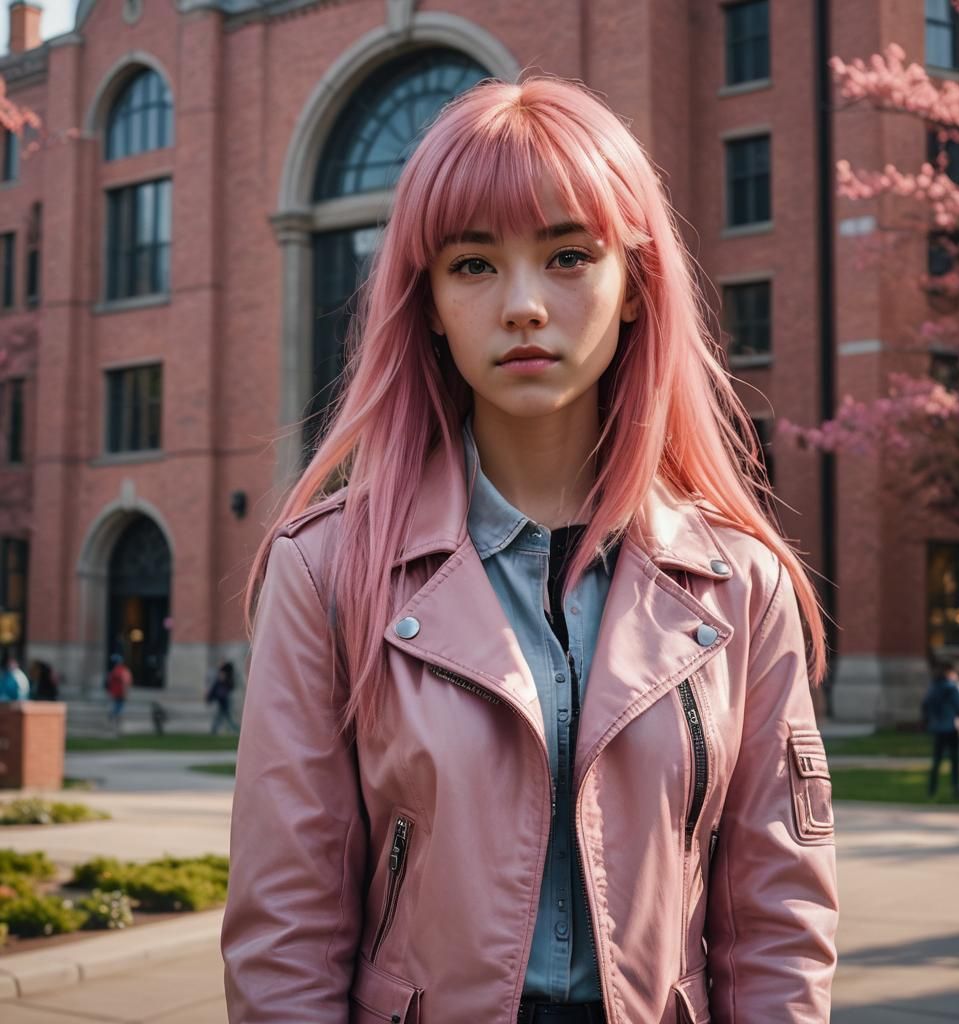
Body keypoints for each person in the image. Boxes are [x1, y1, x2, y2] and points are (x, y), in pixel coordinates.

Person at [221, 76, 839, 1023]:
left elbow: (778, 924)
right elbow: (286, 933)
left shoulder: (739, 583)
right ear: (426, 300)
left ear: (634, 285)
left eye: (566, 255)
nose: (522, 305)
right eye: (473, 264)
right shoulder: (326, 572)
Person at [922, 659, 959, 798]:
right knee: (954, 760)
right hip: (951, 727)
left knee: (937, 760)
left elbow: (925, 705)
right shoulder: (952, 687)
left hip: (938, 727)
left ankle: (932, 788)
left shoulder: (934, 687)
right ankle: (956, 788)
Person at [206, 661, 239, 734]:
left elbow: (229, 687)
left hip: (224, 700)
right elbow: (214, 689)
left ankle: (235, 729)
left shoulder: (227, 679)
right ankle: (215, 729)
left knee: (225, 716)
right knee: (223, 716)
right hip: (222, 700)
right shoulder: (222, 679)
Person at [105, 654, 132, 734]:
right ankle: (117, 726)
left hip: (115, 693)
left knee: (117, 707)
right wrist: (126, 693)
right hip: (120, 694)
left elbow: (109, 683)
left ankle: (114, 721)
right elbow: (126, 682)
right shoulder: (123, 671)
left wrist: (110, 692)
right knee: (119, 709)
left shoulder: (113, 672)